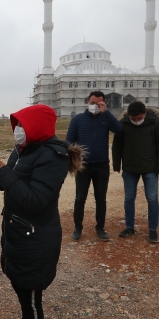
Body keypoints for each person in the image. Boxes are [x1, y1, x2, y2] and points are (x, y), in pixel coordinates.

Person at [0, 104, 83, 319]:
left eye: (21, 125)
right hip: (19, 234)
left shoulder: (52, 156)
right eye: (15, 125)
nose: (16, 131)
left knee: (29, 300)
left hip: (36, 240)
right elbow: (13, 186)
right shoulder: (23, 149)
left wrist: (5, 176)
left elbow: (36, 200)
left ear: (37, 127)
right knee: (28, 296)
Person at [66, 90, 123, 241]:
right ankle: (78, 227)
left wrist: (106, 112)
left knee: (101, 198)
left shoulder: (106, 118)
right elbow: (69, 142)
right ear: (87, 103)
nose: (95, 106)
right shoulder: (77, 119)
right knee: (80, 198)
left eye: (99, 104)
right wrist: (72, 162)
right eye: (92, 103)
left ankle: (100, 228)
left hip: (102, 165)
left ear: (103, 104)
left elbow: (119, 130)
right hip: (83, 167)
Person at [112, 101, 159, 243]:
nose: (136, 121)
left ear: (145, 113)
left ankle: (152, 230)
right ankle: (129, 227)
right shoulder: (123, 123)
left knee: (152, 199)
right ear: (129, 116)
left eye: (139, 118)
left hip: (150, 168)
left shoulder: (155, 122)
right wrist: (116, 164)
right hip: (130, 168)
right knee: (129, 198)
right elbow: (117, 145)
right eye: (133, 119)